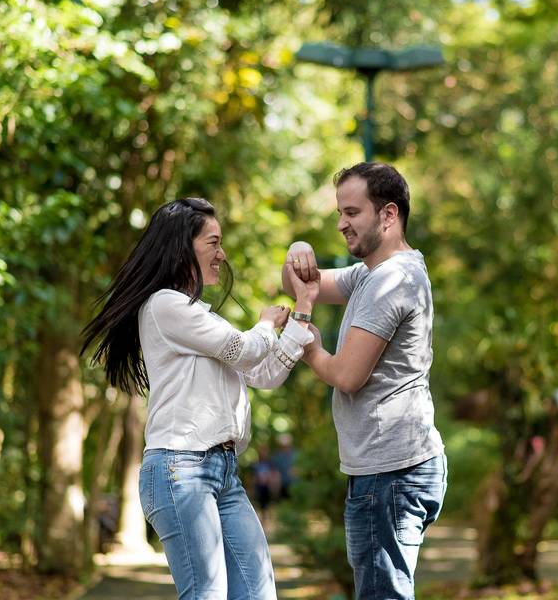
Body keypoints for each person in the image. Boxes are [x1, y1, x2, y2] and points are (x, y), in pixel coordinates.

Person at [81, 197, 318, 600]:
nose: (222, 254)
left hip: (222, 470)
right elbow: (243, 350)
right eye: (213, 242)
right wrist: (264, 323)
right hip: (180, 469)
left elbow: (264, 373)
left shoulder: (204, 318)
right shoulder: (164, 306)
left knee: (258, 591)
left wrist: (303, 308)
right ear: (181, 248)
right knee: (207, 594)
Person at [282, 162, 447, 599]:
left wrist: (310, 345)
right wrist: (297, 250)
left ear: (388, 214)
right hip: (395, 466)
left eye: (352, 212)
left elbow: (347, 376)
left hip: (389, 472)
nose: (341, 224)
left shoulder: (389, 281)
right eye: (339, 213)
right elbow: (300, 283)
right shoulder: (375, 273)